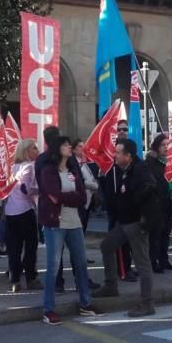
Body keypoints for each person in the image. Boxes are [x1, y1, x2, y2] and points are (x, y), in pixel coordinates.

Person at [38, 136, 104, 324]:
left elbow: (82, 196)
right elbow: (53, 196)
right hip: (55, 223)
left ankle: (85, 303)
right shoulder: (48, 170)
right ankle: (48, 309)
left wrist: (70, 197)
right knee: (53, 267)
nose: (69, 147)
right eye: (66, 145)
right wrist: (71, 197)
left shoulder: (73, 168)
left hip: (74, 221)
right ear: (58, 149)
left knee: (81, 263)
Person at [93, 138, 160, 317]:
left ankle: (147, 303)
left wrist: (133, 204)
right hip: (124, 221)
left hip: (137, 222)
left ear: (128, 156)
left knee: (142, 262)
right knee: (107, 245)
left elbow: (148, 187)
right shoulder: (123, 170)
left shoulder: (140, 169)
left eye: (118, 153)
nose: (114, 155)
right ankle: (110, 285)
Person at [6, 139, 42, 292]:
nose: (37, 151)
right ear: (26, 151)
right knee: (30, 246)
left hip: (10, 212)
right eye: (34, 148)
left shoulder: (11, 167)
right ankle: (31, 278)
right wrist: (42, 190)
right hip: (25, 211)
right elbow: (27, 189)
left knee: (14, 248)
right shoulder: (29, 167)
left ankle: (15, 280)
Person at [145, 134, 172, 273]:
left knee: (166, 233)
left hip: (168, 202)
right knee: (155, 235)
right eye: (163, 145)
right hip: (156, 203)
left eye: (168, 145)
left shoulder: (170, 162)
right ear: (157, 147)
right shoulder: (151, 163)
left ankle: (164, 260)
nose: (166, 147)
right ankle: (153, 262)